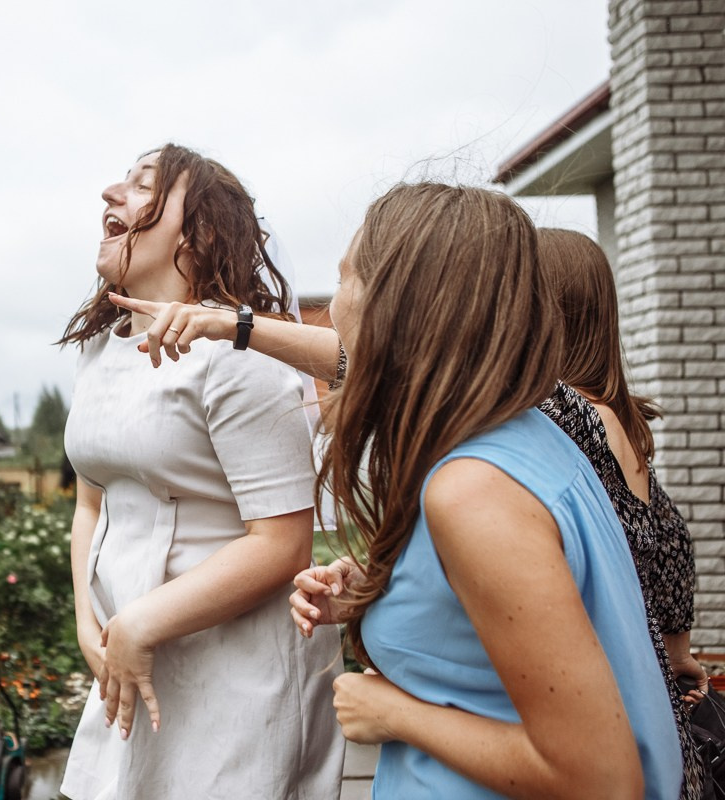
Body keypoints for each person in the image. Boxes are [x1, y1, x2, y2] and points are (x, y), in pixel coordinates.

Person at [118, 183, 681, 798]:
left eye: (345, 278)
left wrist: (394, 714)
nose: (332, 309)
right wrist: (396, 586)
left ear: (395, 305)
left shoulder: (473, 491)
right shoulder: (524, 427)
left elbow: (603, 779)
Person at [56, 143, 346, 799]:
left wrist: (138, 623)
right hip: (131, 664)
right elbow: (92, 504)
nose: (111, 193)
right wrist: (87, 620)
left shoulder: (241, 360)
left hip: (238, 682)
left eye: (141, 186)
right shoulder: (102, 345)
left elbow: (282, 543)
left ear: (198, 233)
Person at [536, 227, 704, 799]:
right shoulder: (624, 420)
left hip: (604, 716)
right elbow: (671, 550)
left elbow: (375, 370)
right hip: (656, 712)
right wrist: (678, 653)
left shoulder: (560, 413)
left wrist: (246, 330)